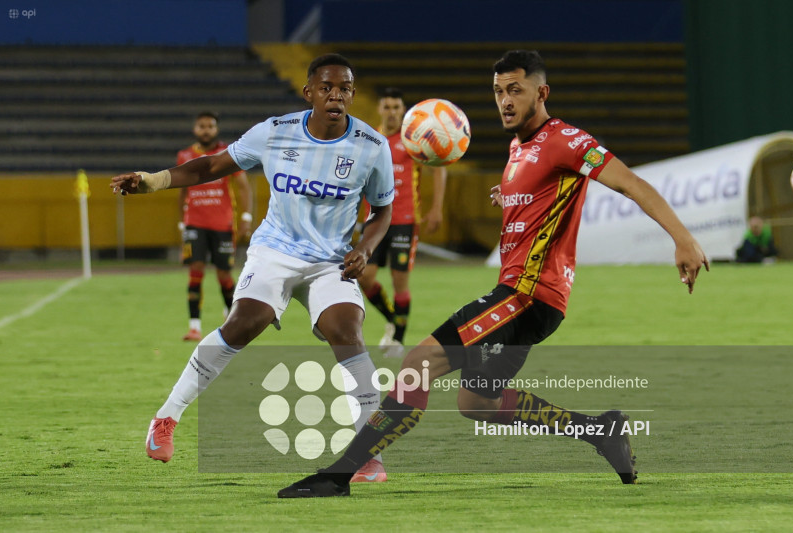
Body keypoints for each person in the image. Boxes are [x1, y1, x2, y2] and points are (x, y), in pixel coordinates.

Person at [278, 49, 709, 498]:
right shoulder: (517, 147)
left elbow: (631, 183)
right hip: (526, 298)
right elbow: (540, 193)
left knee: (418, 364)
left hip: (525, 295)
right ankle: (601, 431)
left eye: (515, 90)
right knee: (477, 402)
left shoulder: (567, 140)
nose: (505, 100)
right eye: (499, 91)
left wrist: (683, 239)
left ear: (541, 92)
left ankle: (341, 474)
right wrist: (507, 195)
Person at [111, 54, 395, 483]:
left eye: (345, 88)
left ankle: (368, 452)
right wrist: (154, 181)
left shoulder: (372, 146)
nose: (335, 94)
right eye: (326, 87)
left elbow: (383, 211)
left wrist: (366, 249)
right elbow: (211, 166)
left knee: (348, 331)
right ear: (309, 92)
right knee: (246, 322)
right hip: (275, 251)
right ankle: (166, 419)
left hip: (329, 260)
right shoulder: (275, 132)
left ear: (353, 95)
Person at [359, 88, 447, 356]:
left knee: (400, 282)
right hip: (374, 219)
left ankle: (397, 340)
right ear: (380, 110)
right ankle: (391, 318)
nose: (392, 112)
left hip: (404, 220)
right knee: (364, 277)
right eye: (387, 107)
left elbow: (439, 167)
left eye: (397, 107)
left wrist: (436, 208)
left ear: (403, 110)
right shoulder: (369, 140)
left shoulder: (414, 139)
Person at [177, 111, 252, 341]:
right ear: (195, 129)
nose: (206, 130)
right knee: (195, 271)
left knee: (224, 275)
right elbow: (181, 187)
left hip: (222, 224)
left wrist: (246, 218)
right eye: (202, 126)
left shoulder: (228, 154)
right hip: (195, 223)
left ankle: (231, 321)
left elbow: (243, 187)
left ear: (216, 129)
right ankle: (194, 327)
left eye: (210, 126)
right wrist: (182, 220)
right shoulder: (185, 156)